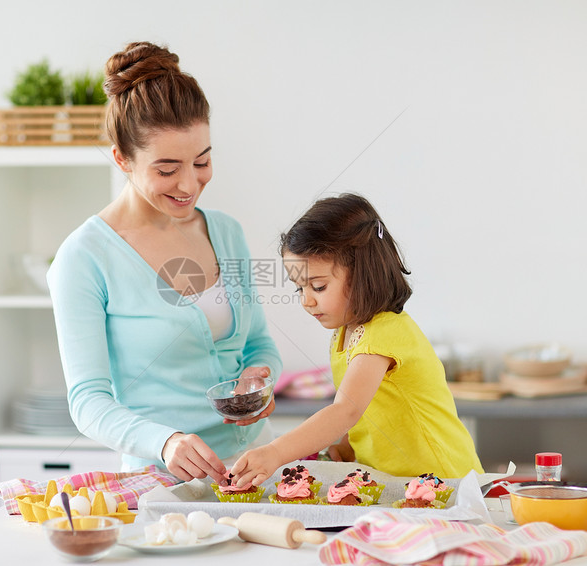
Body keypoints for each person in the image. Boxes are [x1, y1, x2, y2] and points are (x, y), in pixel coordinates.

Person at [47, 41, 282, 484]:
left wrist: (260, 378)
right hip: (163, 483)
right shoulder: (83, 259)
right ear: (121, 158)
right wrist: (165, 442)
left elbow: (259, 343)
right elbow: (87, 400)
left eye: (203, 161)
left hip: (260, 465)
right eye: (167, 169)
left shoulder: (225, 233)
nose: (190, 184)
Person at [230, 193, 483, 486]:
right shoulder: (344, 333)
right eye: (300, 289)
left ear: (363, 274)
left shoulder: (384, 331)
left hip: (445, 482)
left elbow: (346, 409)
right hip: (399, 486)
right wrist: (348, 445)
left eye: (318, 286)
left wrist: (275, 452)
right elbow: (371, 408)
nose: (307, 301)